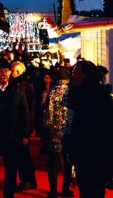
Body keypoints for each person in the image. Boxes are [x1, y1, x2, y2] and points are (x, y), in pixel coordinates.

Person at [64, 61, 113, 198]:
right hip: (81, 153)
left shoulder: (100, 98)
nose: (73, 76)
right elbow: (71, 124)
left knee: (93, 191)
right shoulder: (74, 95)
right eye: (73, 72)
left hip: (97, 154)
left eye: (77, 73)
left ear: (85, 76)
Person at [0, 58, 30, 198]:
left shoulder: (17, 89)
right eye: (0, 71)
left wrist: (25, 134)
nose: (4, 74)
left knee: (11, 168)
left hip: (13, 135)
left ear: (10, 73)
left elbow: (25, 112)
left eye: (6, 71)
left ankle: (9, 194)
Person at [45, 68, 72, 198]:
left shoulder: (53, 91)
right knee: (67, 161)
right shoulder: (71, 91)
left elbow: (50, 111)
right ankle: (66, 188)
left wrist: (50, 126)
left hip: (55, 130)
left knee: (53, 161)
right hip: (69, 131)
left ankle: (53, 190)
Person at [11, 61, 37, 191]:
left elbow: (30, 110)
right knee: (20, 154)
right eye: (13, 71)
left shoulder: (27, 87)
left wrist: (27, 130)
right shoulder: (14, 85)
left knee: (23, 155)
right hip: (16, 126)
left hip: (23, 126)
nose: (14, 74)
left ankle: (27, 179)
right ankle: (28, 180)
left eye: (17, 71)